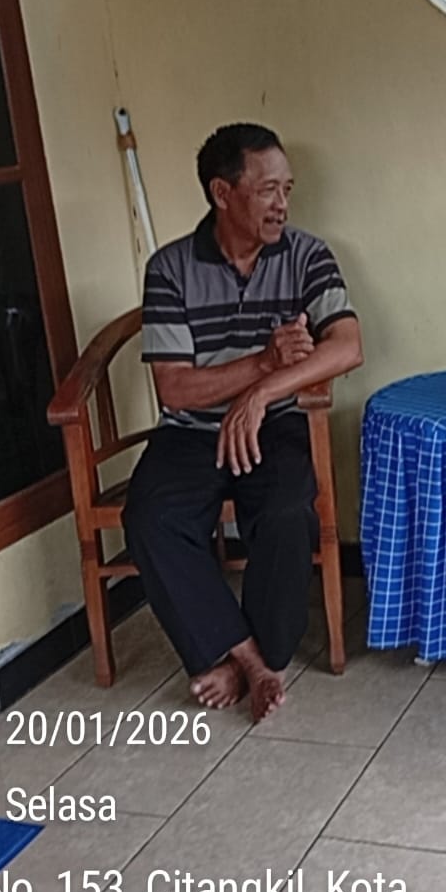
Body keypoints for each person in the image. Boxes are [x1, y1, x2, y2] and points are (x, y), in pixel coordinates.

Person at [124, 123, 362, 721]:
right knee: (150, 517)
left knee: (286, 511)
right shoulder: (170, 268)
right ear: (222, 193)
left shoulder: (307, 255)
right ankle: (252, 662)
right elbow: (175, 387)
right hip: (190, 431)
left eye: (287, 189)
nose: (282, 204)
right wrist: (263, 361)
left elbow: (347, 346)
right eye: (267, 190)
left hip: (276, 422)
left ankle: (253, 658)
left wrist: (261, 394)